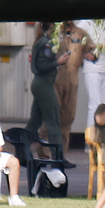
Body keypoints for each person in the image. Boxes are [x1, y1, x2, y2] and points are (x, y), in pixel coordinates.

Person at [28, 21, 63, 151]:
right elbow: (41, 66)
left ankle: (22, 150)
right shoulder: (45, 43)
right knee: (53, 120)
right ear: (52, 27)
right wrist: (57, 62)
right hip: (44, 84)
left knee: (34, 122)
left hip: (41, 84)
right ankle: (57, 157)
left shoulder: (42, 41)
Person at [72, 19, 105, 126]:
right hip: (92, 69)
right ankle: (91, 136)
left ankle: (101, 136)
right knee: (95, 104)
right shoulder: (84, 24)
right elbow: (77, 43)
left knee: (104, 104)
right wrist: (98, 46)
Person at [55, 20, 85, 143]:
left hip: (72, 77)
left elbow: (92, 49)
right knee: (52, 113)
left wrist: (94, 54)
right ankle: (45, 154)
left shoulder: (80, 33)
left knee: (68, 116)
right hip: (55, 75)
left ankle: (61, 154)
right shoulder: (54, 31)